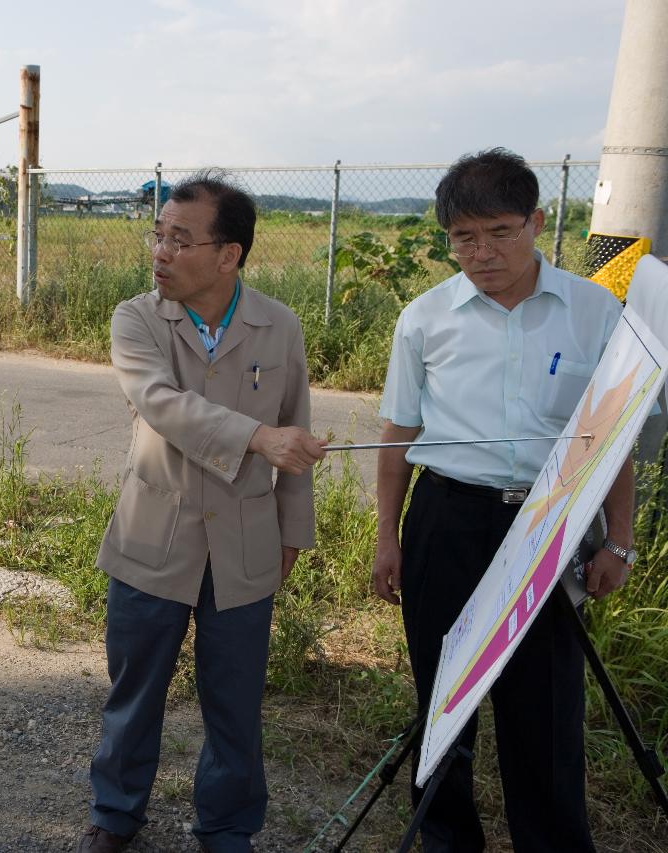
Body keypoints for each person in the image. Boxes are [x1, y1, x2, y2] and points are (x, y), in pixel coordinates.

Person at [372, 148, 634, 853]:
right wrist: (387, 537)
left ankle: (550, 840)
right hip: (447, 519)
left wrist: (618, 540)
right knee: (444, 691)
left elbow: (612, 437)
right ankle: (448, 837)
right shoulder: (424, 319)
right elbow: (398, 435)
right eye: (463, 237)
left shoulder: (594, 309)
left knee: (545, 705)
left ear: (538, 223)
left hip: (549, 522)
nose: (482, 253)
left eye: (500, 232)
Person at [77, 171, 327, 853]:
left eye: (180, 239)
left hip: (246, 542)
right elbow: (162, 403)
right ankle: (116, 810)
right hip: (152, 535)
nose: (160, 250)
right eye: (158, 234)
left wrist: (292, 532)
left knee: (236, 702)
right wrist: (255, 437)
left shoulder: (279, 326)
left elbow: (295, 431)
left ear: (229, 255)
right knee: (135, 692)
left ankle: (226, 825)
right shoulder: (136, 318)